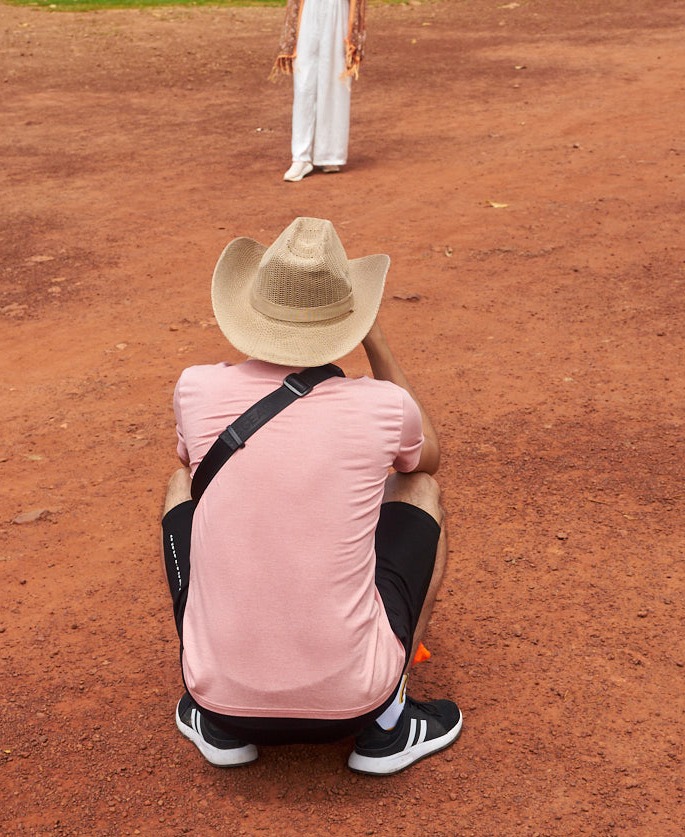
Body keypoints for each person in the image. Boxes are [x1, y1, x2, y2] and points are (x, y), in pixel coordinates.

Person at [160, 217, 461, 775]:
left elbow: (190, 463)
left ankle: (220, 724)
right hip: (353, 701)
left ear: (249, 312)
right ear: (351, 320)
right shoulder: (382, 405)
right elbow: (429, 458)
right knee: (420, 489)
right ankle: (388, 720)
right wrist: (376, 339)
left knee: (182, 485)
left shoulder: (195, 387)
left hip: (216, 697)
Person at [271, 0, 366, 182]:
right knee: (304, 82)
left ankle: (330, 153)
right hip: (309, 8)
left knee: (335, 78)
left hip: (338, 8)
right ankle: (301, 157)